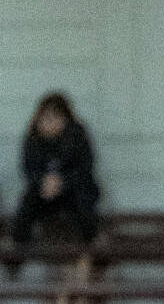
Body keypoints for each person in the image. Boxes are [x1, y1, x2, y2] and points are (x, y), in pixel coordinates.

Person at [9, 92, 100, 260]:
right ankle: (14, 260)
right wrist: (44, 182)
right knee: (24, 208)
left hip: (74, 190)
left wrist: (62, 182)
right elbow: (28, 169)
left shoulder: (77, 135)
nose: (50, 123)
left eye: (55, 118)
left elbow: (84, 168)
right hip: (43, 192)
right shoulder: (33, 137)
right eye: (45, 118)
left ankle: (94, 255)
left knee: (84, 206)